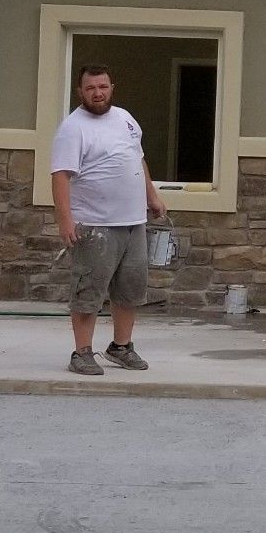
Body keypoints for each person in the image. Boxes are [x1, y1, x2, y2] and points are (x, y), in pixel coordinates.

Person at [48, 63, 168, 375]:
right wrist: (65, 220)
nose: (97, 93)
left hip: (132, 222)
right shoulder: (73, 128)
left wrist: (151, 196)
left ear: (111, 87)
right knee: (89, 290)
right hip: (95, 225)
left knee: (130, 289)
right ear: (81, 92)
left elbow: (137, 158)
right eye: (91, 88)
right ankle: (82, 353)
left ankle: (121, 347)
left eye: (103, 86)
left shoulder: (126, 119)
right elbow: (60, 176)